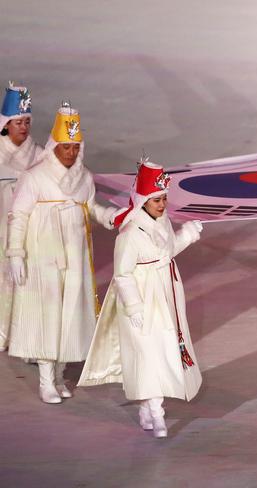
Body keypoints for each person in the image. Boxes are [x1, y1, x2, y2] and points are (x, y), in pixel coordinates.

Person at [79, 160, 203, 438]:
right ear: (143, 200)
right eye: (156, 199)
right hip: (142, 298)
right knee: (148, 353)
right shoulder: (130, 235)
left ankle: (149, 407)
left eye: (164, 199)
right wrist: (133, 305)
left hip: (166, 293)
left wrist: (188, 234)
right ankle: (156, 411)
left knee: (163, 348)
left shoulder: (164, 223)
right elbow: (122, 274)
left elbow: (167, 252)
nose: (161, 205)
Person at [6, 103, 117, 404]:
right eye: (65, 146)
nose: (69, 152)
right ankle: (45, 380)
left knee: (70, 315)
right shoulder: (35, 177)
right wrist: (15, 252)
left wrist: (110, 216)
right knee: (48, 315)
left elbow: (90, 207)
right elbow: (18, 215)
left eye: (74, 147)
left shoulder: (84, 178)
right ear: (55, 146)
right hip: (44, 256)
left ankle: (59, 373)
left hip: (76, 255)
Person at [0, 82, 42, 351]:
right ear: (5, 125)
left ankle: (22, 331)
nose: (24, 127)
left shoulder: (38, 155)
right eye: (18, 122)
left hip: (26, 228)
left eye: (27, 121)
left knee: (25, 280)